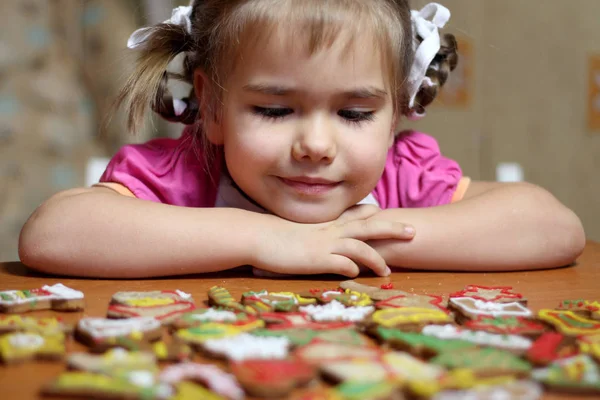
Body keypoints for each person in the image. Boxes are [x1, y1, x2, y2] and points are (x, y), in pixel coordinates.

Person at [18, 0, 585, 278]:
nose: (316, 143)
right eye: (273, 108)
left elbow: (555, 228)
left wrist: (356, 236)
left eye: (356, 113)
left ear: (396, 118)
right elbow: (52, 234)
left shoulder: (399, 178)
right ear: (211, 107)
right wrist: (266, 239)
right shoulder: (182, 175)